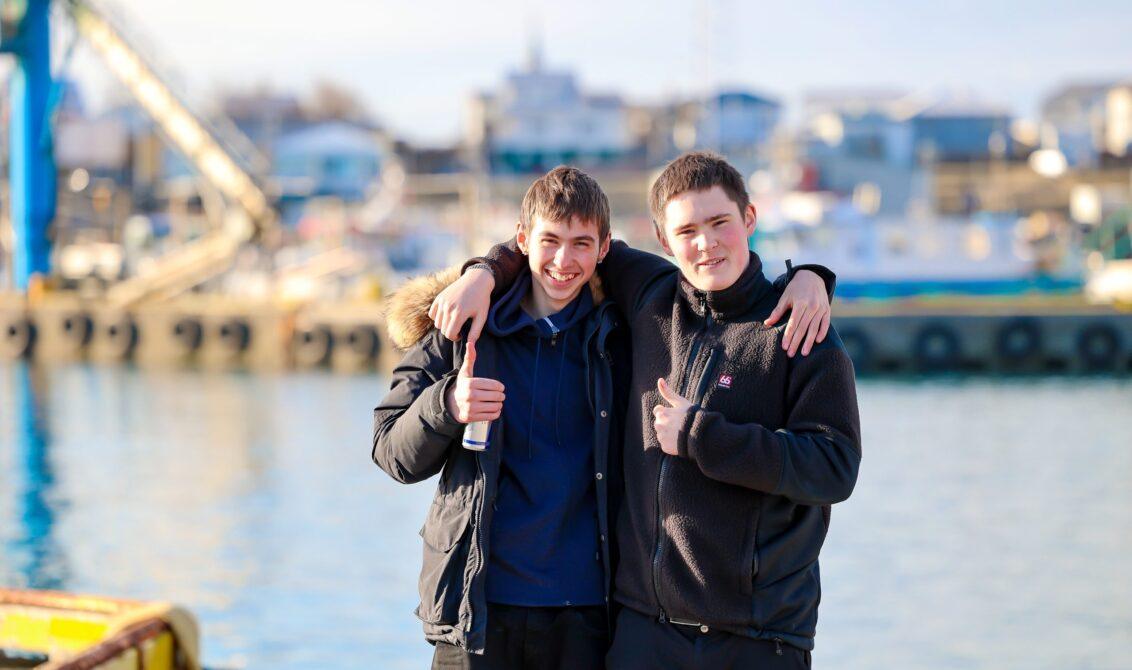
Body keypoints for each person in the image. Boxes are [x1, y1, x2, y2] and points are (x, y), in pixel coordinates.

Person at [431, 152, 859, 669]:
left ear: (749, 218)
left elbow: (835, 467)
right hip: (642, 633)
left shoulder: (801, 332)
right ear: (663, 240)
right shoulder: (649, 293)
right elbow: (557, 238)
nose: (706, 243)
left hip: (759, 637)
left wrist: (703, 436)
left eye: (719, 222)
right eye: (687, 231)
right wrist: (482, 272)